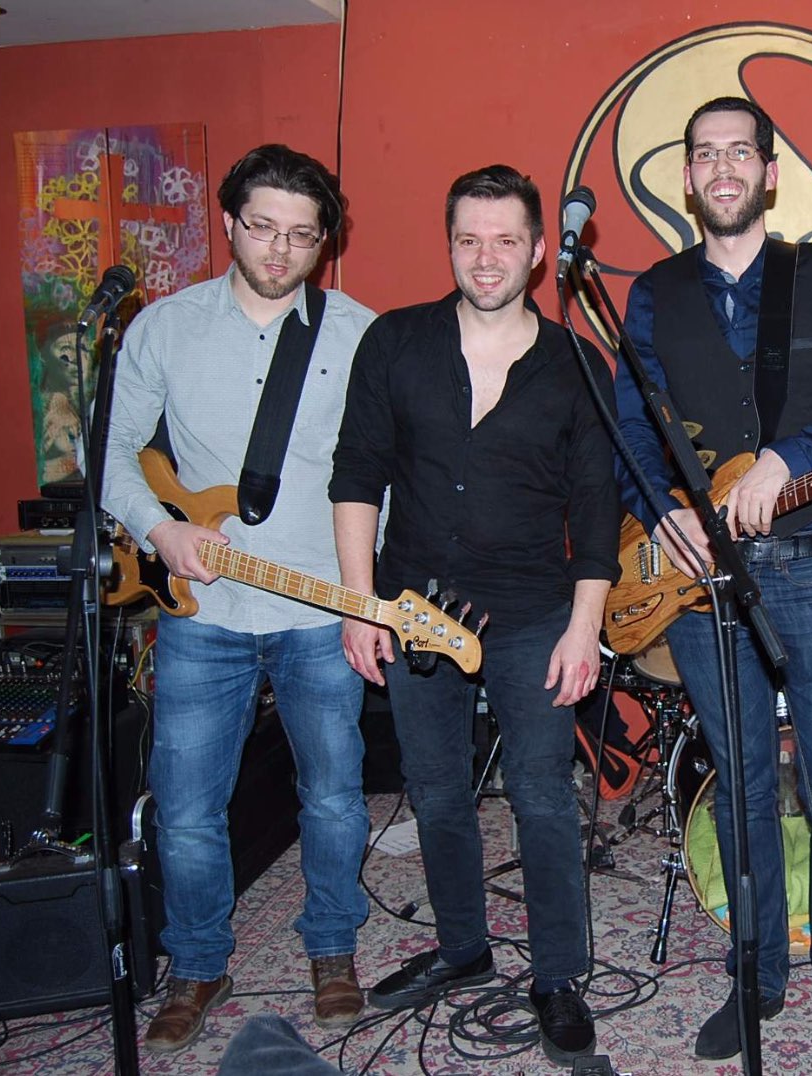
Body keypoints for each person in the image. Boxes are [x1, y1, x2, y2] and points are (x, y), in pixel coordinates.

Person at [614, 97, 812, 1074]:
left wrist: (784, 459)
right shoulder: (652, 293)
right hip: (703, 585)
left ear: (769, 172)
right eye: (705, 154)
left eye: (739, 151)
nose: (723, 168)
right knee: (739, 797)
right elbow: (631, 431)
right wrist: (661, 510)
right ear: (688, 177)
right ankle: (756, 980)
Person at [329, 165, 620, 1066]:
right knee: (437, 790)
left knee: (541, 795)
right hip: (413, 606)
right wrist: (360, 605)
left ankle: (558, 977)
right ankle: (462, 949)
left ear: (538, 252)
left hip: (534, 611)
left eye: (505, 241)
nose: (485, 258)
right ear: (449, 244)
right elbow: (356, 474)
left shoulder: (579, 363)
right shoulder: (394, 342)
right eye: (468, 239)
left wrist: (584, 627)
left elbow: (598, 509)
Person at [102, 144, 374, 1052]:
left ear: (325, 240)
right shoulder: (164, 328)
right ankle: (197, 963)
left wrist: (369, 591)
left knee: (333, 797)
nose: (279, 249)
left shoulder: (358, 334)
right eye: (262, 227)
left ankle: (332, 948)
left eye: (302, 234)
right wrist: (161, 530)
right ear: (228, 222)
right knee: (185, 806)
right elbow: (111, 451)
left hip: (319, 608)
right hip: (202, 609)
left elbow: (386, 472)